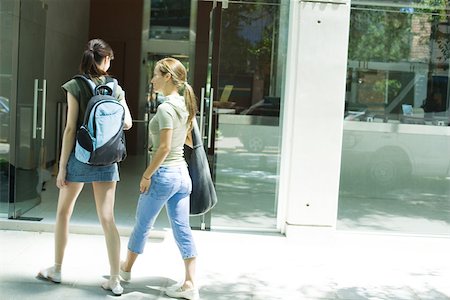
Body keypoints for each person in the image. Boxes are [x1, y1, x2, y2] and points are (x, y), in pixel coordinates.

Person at [37, 38, 133, 296]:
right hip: (107, 159)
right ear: (104, 59)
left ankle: (57, 269)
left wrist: (63, 166)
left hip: (80, 157)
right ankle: (114, 279)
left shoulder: (75, 85)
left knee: (63, 213)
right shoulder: (115, 87)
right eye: (110, 58)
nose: (111, 62)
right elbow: (128, 124)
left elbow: (70, 129)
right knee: (107, 218)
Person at [120, 57, 199, 300]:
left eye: (155, 75)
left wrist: (146, 175)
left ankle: (124, 271)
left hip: (164, 175)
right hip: (182, 175)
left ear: (167, 77)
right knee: (182, 228)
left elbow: (163, 148)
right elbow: (190, 141)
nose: (152, 79)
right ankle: (190, 283)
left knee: (142, 224)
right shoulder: (185, 106)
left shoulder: (166, 108)